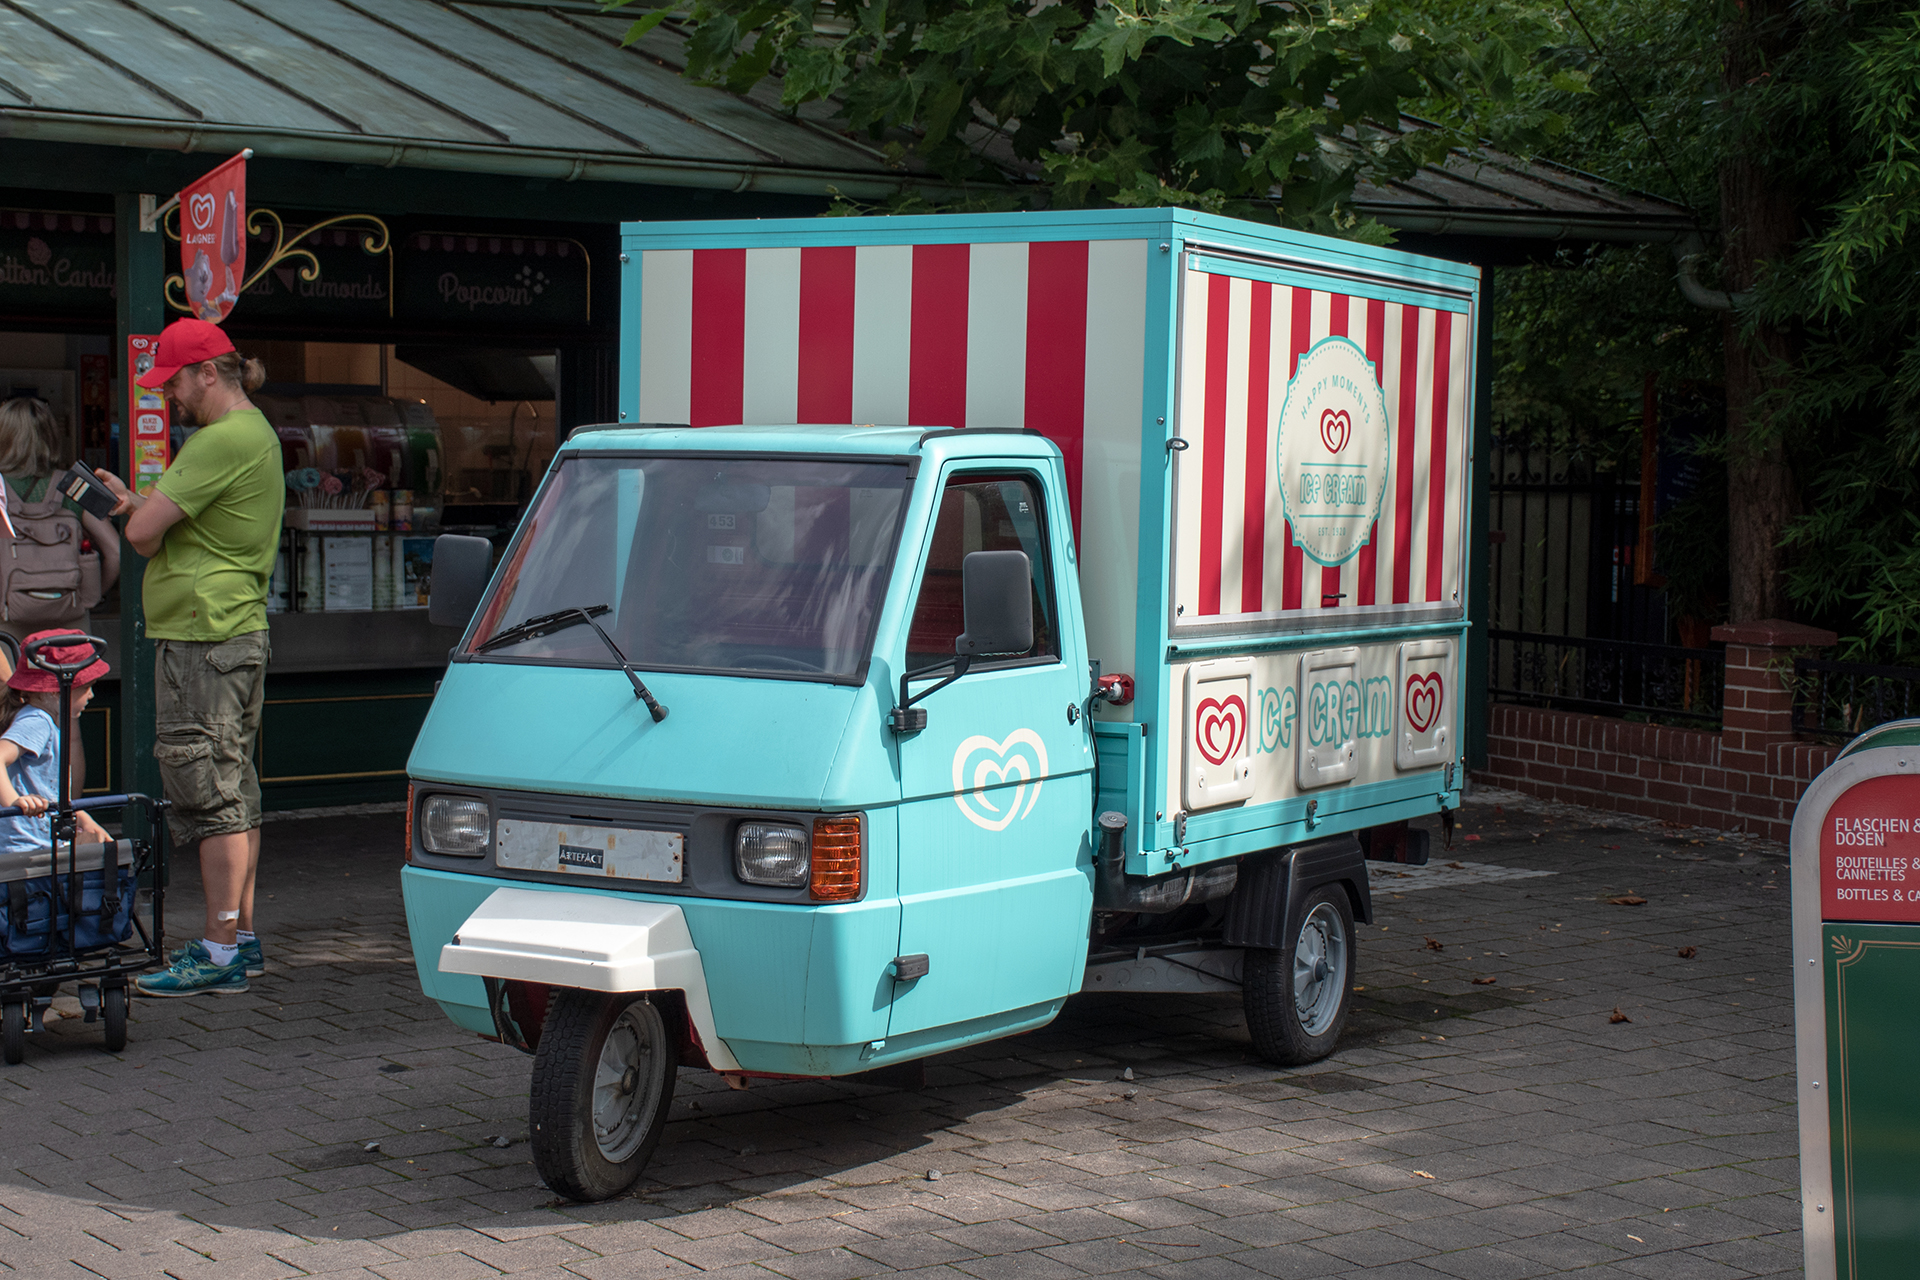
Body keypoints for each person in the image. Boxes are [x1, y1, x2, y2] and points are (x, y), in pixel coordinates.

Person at [95, 318, 282, 997]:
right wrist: (138, 504)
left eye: (173, 380)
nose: (169, 395)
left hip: (205, 637)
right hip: (228, 630)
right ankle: (240, 939)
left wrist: (136, 514)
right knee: (233, 787)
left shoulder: (217, 439)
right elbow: (179, 523)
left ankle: (219, 948)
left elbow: (145, 538)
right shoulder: (252, 432)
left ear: (209, 372)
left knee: (208, 794)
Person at [0, 397, 121, 656]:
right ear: (50, 436)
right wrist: (90, 595)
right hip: (69, 620)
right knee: (69, 694)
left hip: (7, 620)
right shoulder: (74, 486)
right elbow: (115, 552)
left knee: (8, 694)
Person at [0, 630, 112, 855]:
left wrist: (81, 817)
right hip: (25, 850)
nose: (91, 695)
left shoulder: (40, 719)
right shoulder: (37, 721)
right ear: (56, 692)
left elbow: (47, 789)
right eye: (86, 687)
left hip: (38, 844)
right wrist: (15, 801)